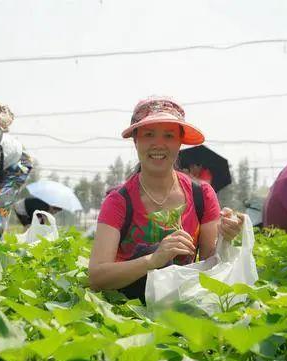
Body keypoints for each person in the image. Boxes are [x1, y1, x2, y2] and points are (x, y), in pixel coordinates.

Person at [89, 96, 244, 300]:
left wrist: (227, 238)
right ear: (136, 141)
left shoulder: (202, 195)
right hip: (129, 312)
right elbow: (97, 277)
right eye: (149, 134)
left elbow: (210, 266)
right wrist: (154, 259)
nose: (158, 144)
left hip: (182, 308)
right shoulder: (119, 201)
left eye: (169, 136)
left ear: (180, 142)